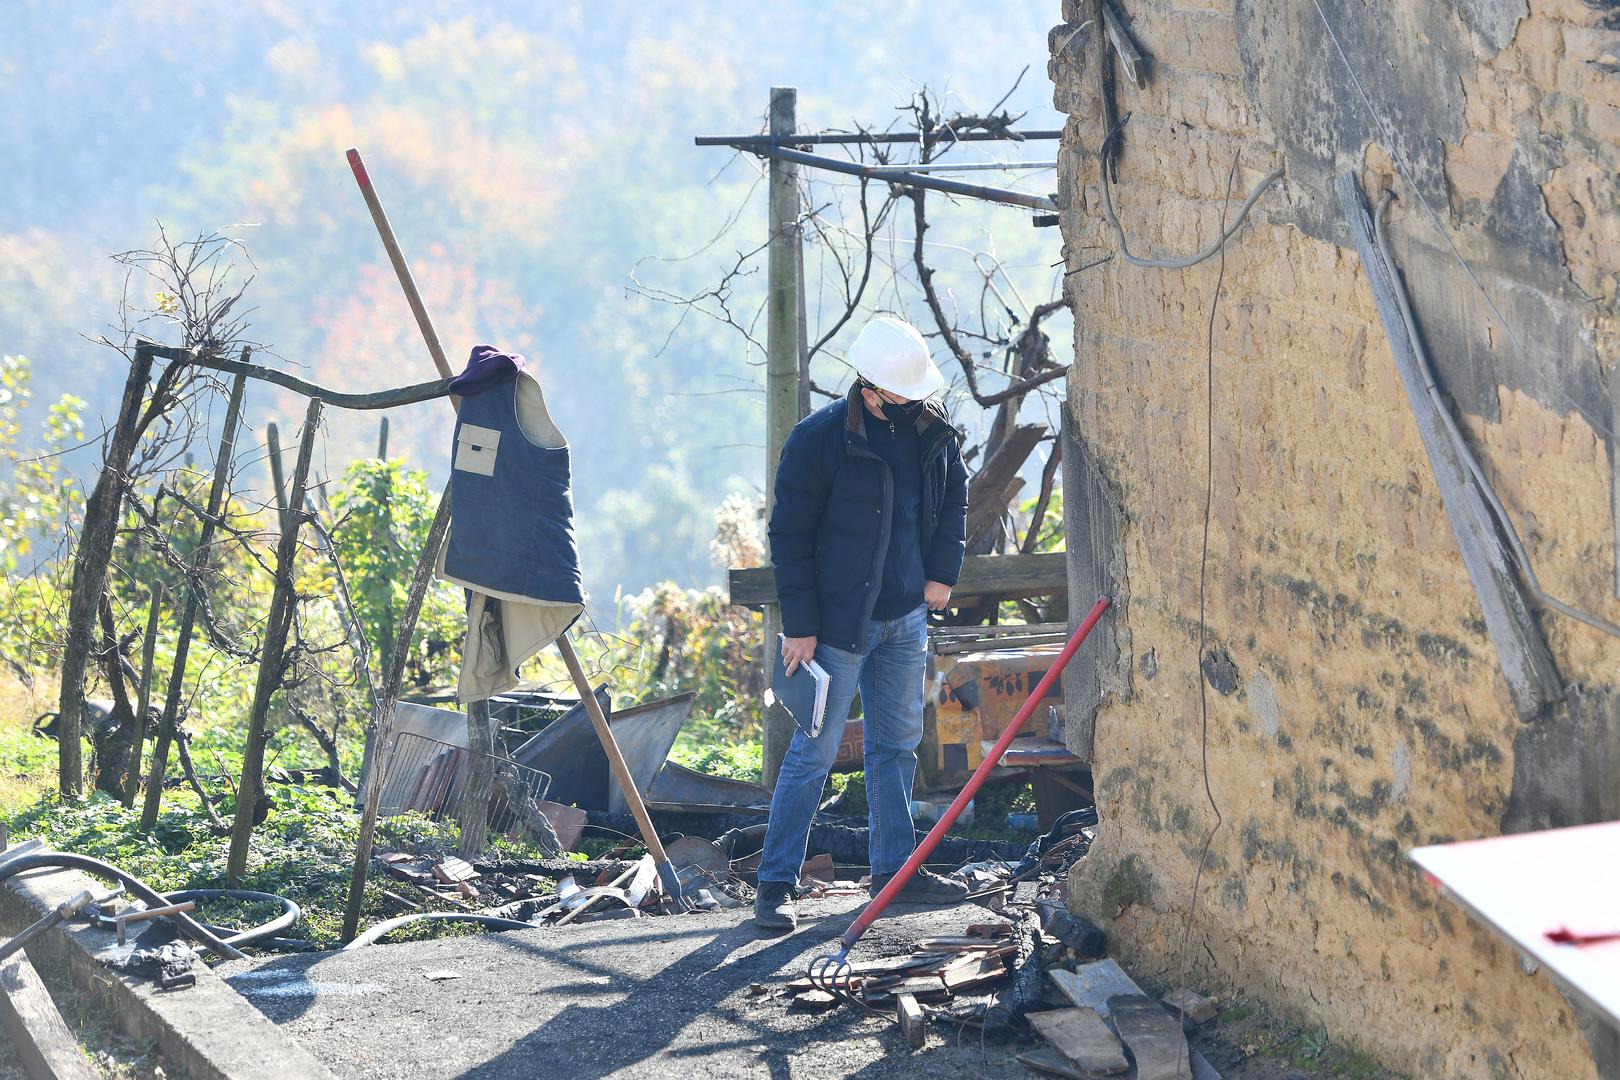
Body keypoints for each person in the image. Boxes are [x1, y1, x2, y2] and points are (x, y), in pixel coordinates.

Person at [754, 315, 970, 933]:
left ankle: (893, 874)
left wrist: (941, 574)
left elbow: (953, 500)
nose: (912, 400)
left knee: (896, 747)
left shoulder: (932, 434)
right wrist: (800, 624)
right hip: (835, 627)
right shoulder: (816, 440)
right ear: (871, 388)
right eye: (901, 391)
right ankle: (775, 886)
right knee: (813, 753)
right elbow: (788, 536)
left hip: (905, 618)